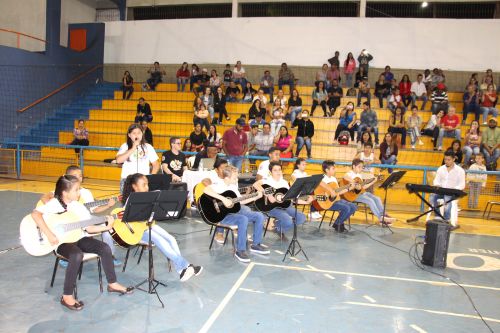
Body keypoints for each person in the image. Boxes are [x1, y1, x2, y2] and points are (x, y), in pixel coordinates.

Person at [32, 175, 133, 311]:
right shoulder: (54, 204)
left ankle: (112, 283)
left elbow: (89, 228)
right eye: (76, 190)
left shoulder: (78, 207)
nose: (79, 193)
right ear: (65, 193)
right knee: (76, 255)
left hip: (78, 238)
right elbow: (35, 214)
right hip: (60, 243)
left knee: (104, 248)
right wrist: (49, 234)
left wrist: (107, 227)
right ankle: (67, 296)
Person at [122, 173, 203, 278]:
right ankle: (187, 266)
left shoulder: (148, 196)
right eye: (143, 185)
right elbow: (127, 218)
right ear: (134, 186)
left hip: (147, 225)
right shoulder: (131, 199)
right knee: (160, 240)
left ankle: (181, 270)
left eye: (147, 184)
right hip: (137, 230)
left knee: (171, 239)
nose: (147, 187)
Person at [39, 165, 119, 267]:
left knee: (107, 225)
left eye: (80, 175)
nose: (78, 178)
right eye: (74, 175)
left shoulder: (86, 193)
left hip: (85, 219)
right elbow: (44, 197)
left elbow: (95, 209)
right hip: (68, 224)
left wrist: (107, 205)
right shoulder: (65, 189)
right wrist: (59, 212)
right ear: (67, 177)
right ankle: (67, 256)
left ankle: (109, 255)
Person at [203, 165, 269, 262]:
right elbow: (206, 190)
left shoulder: (233, 187)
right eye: (235, 177)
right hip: (221, 214)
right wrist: (223, 199)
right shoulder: (219, 184)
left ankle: (256, 244)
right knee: (243, 219)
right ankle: (240, 250)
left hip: (233, 210)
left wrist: (255, 197)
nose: (237, 179)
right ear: (227, 178)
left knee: (259, 215)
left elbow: (240, 202)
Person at [254, 162, 312, 239]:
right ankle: (279, 227)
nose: (278, 172)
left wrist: (306, 202)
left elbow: (291, 199)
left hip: (284, 205)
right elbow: (255, 185)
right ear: (270, 172)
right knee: (288, 221)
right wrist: (269, 195)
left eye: (279, 170)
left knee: (301, 218)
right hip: (271, 207)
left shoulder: (284, 183)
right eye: (275, 170)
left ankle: (278, 228)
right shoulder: (267, 180)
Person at [344, 159, 395, 225]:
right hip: (354, 195)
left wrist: (373, 182)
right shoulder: (350, 173)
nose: (361, 169)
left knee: (377, 198)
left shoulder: (359, 175)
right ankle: (381, 218)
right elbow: (345, 176)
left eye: (361, 167)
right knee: (370, 200)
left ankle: (383, 215)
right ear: (353, 166)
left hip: (362, 193)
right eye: (359, 167)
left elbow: (363, 187)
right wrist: (353, 182)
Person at [116, 123, 160, 192]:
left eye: (139, 133)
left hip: (142, 181)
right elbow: (118, 160)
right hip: (127, 181)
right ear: (129, 135)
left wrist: (150, 177)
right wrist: (133, 148)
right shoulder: (125, 146)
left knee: (143, 201)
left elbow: (156, 164)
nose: (137, 135)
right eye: (134, 133)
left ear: (142, 134)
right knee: (126, 201)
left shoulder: (148, 147)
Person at [316, 160, 357, 232]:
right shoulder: (321, 178)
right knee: (346, 208)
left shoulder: (334, 179)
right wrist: (330, 191)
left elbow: (338, 192)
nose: (335, 170)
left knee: (353, 207)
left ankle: (338, 223)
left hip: (336, 200)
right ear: (327, 170)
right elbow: (320, 184)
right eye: (333, 168)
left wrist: (349, 188)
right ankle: (339, 224)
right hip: (327, 203)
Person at [430, 150, 465, 230]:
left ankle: (446, 219)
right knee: (432, 196)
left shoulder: (460, 171)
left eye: (449, 159)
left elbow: (462, 185)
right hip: (442, 191)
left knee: (447, 197)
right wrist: (437, 185)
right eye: (445, 159)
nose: (446, 161)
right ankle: (438, 216)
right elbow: (436, 180)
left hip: (453, 193)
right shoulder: (441, 169)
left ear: (454, 159)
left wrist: (454, 189)